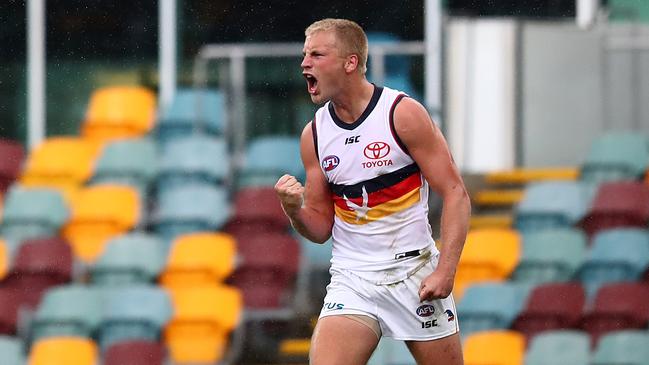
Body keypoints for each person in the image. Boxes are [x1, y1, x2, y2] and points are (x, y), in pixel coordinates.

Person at [275, 18, 470, 365]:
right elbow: (320, 228)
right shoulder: (315, 134)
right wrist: (294, 208)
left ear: (351, 63)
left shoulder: (402, 114)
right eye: (305, 55)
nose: (305, 63)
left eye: (317, 55)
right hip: (353, 280)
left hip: (414, 274)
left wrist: (447, 269)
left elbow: (455, 192)